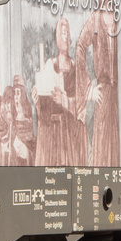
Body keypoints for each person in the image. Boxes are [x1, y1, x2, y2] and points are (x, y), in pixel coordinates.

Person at [35, 16, 88, 165]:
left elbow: (83, 106)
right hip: (55, 137)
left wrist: (65, 100)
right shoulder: (50, 66)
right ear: (56, 39)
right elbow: (43, 114)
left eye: (67, 33)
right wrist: (37, 102)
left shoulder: (76, 68)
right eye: (61, 33)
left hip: (71, 137)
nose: (64, 37)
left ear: (70, 39)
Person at [83, 0, 120, 166]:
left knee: (115, 141)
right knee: (101, 139)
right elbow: (80, 46)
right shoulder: (95, 18)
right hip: (103, 87)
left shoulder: (115, 15)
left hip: (117, 91)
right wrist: (89, 86)